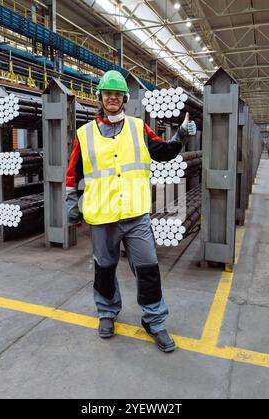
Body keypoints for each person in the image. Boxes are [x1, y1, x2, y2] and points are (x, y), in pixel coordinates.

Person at [66, 70, 196, 353]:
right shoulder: (84, 134)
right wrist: (71, 204)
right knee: (104, 269)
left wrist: (181, 134)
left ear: (124, 98)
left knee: (148, 268)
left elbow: (162, 151)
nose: (112, 98)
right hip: (102, 217)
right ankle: (107, 314)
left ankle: (155, 320)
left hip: (136, 214)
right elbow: (73, 174)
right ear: (100, 97)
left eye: (117, 94)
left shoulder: (138, 128)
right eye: (107, 93)